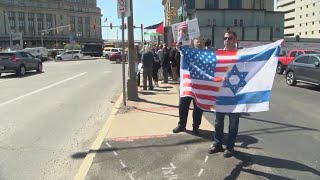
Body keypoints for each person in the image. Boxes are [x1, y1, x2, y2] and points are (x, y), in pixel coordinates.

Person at [208, 30, 240, 158]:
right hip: (220, 93)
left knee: (233, 123)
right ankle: (217, 143)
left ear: (235, 40)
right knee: (218, 121)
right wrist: (181, 50)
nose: (227, 40)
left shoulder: (241, 54)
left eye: (230, 38)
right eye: (225, 38)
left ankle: (230, 146)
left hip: (235, 94)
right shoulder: (218, 54)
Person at [172, 37, 205, 135]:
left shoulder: (208, 54)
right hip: (188, 84)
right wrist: (178, 48)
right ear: (193, 42)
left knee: (198, 107)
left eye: (201, 40)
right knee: (183, 105)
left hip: (200, 85)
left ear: (204, 42)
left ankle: (196, 126)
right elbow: (179, 55)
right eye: (197, 40)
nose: (199, 42)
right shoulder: (187, 52)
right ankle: (181, 125)